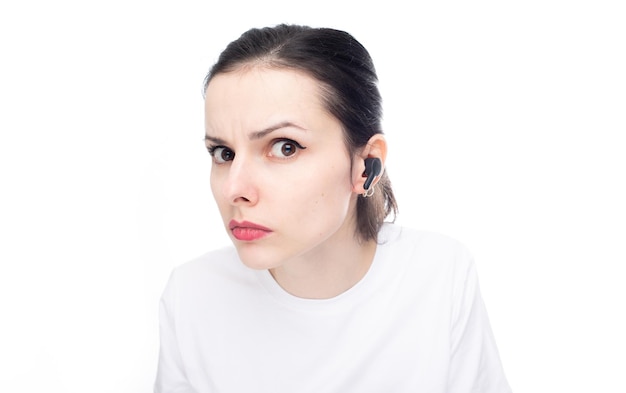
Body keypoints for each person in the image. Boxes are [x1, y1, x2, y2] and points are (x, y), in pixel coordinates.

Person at [154, 24, 512, 393]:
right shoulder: (192, 296)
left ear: (365, 165)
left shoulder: (439, 276)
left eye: (285, 147)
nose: (234, 189)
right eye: (223, 153)